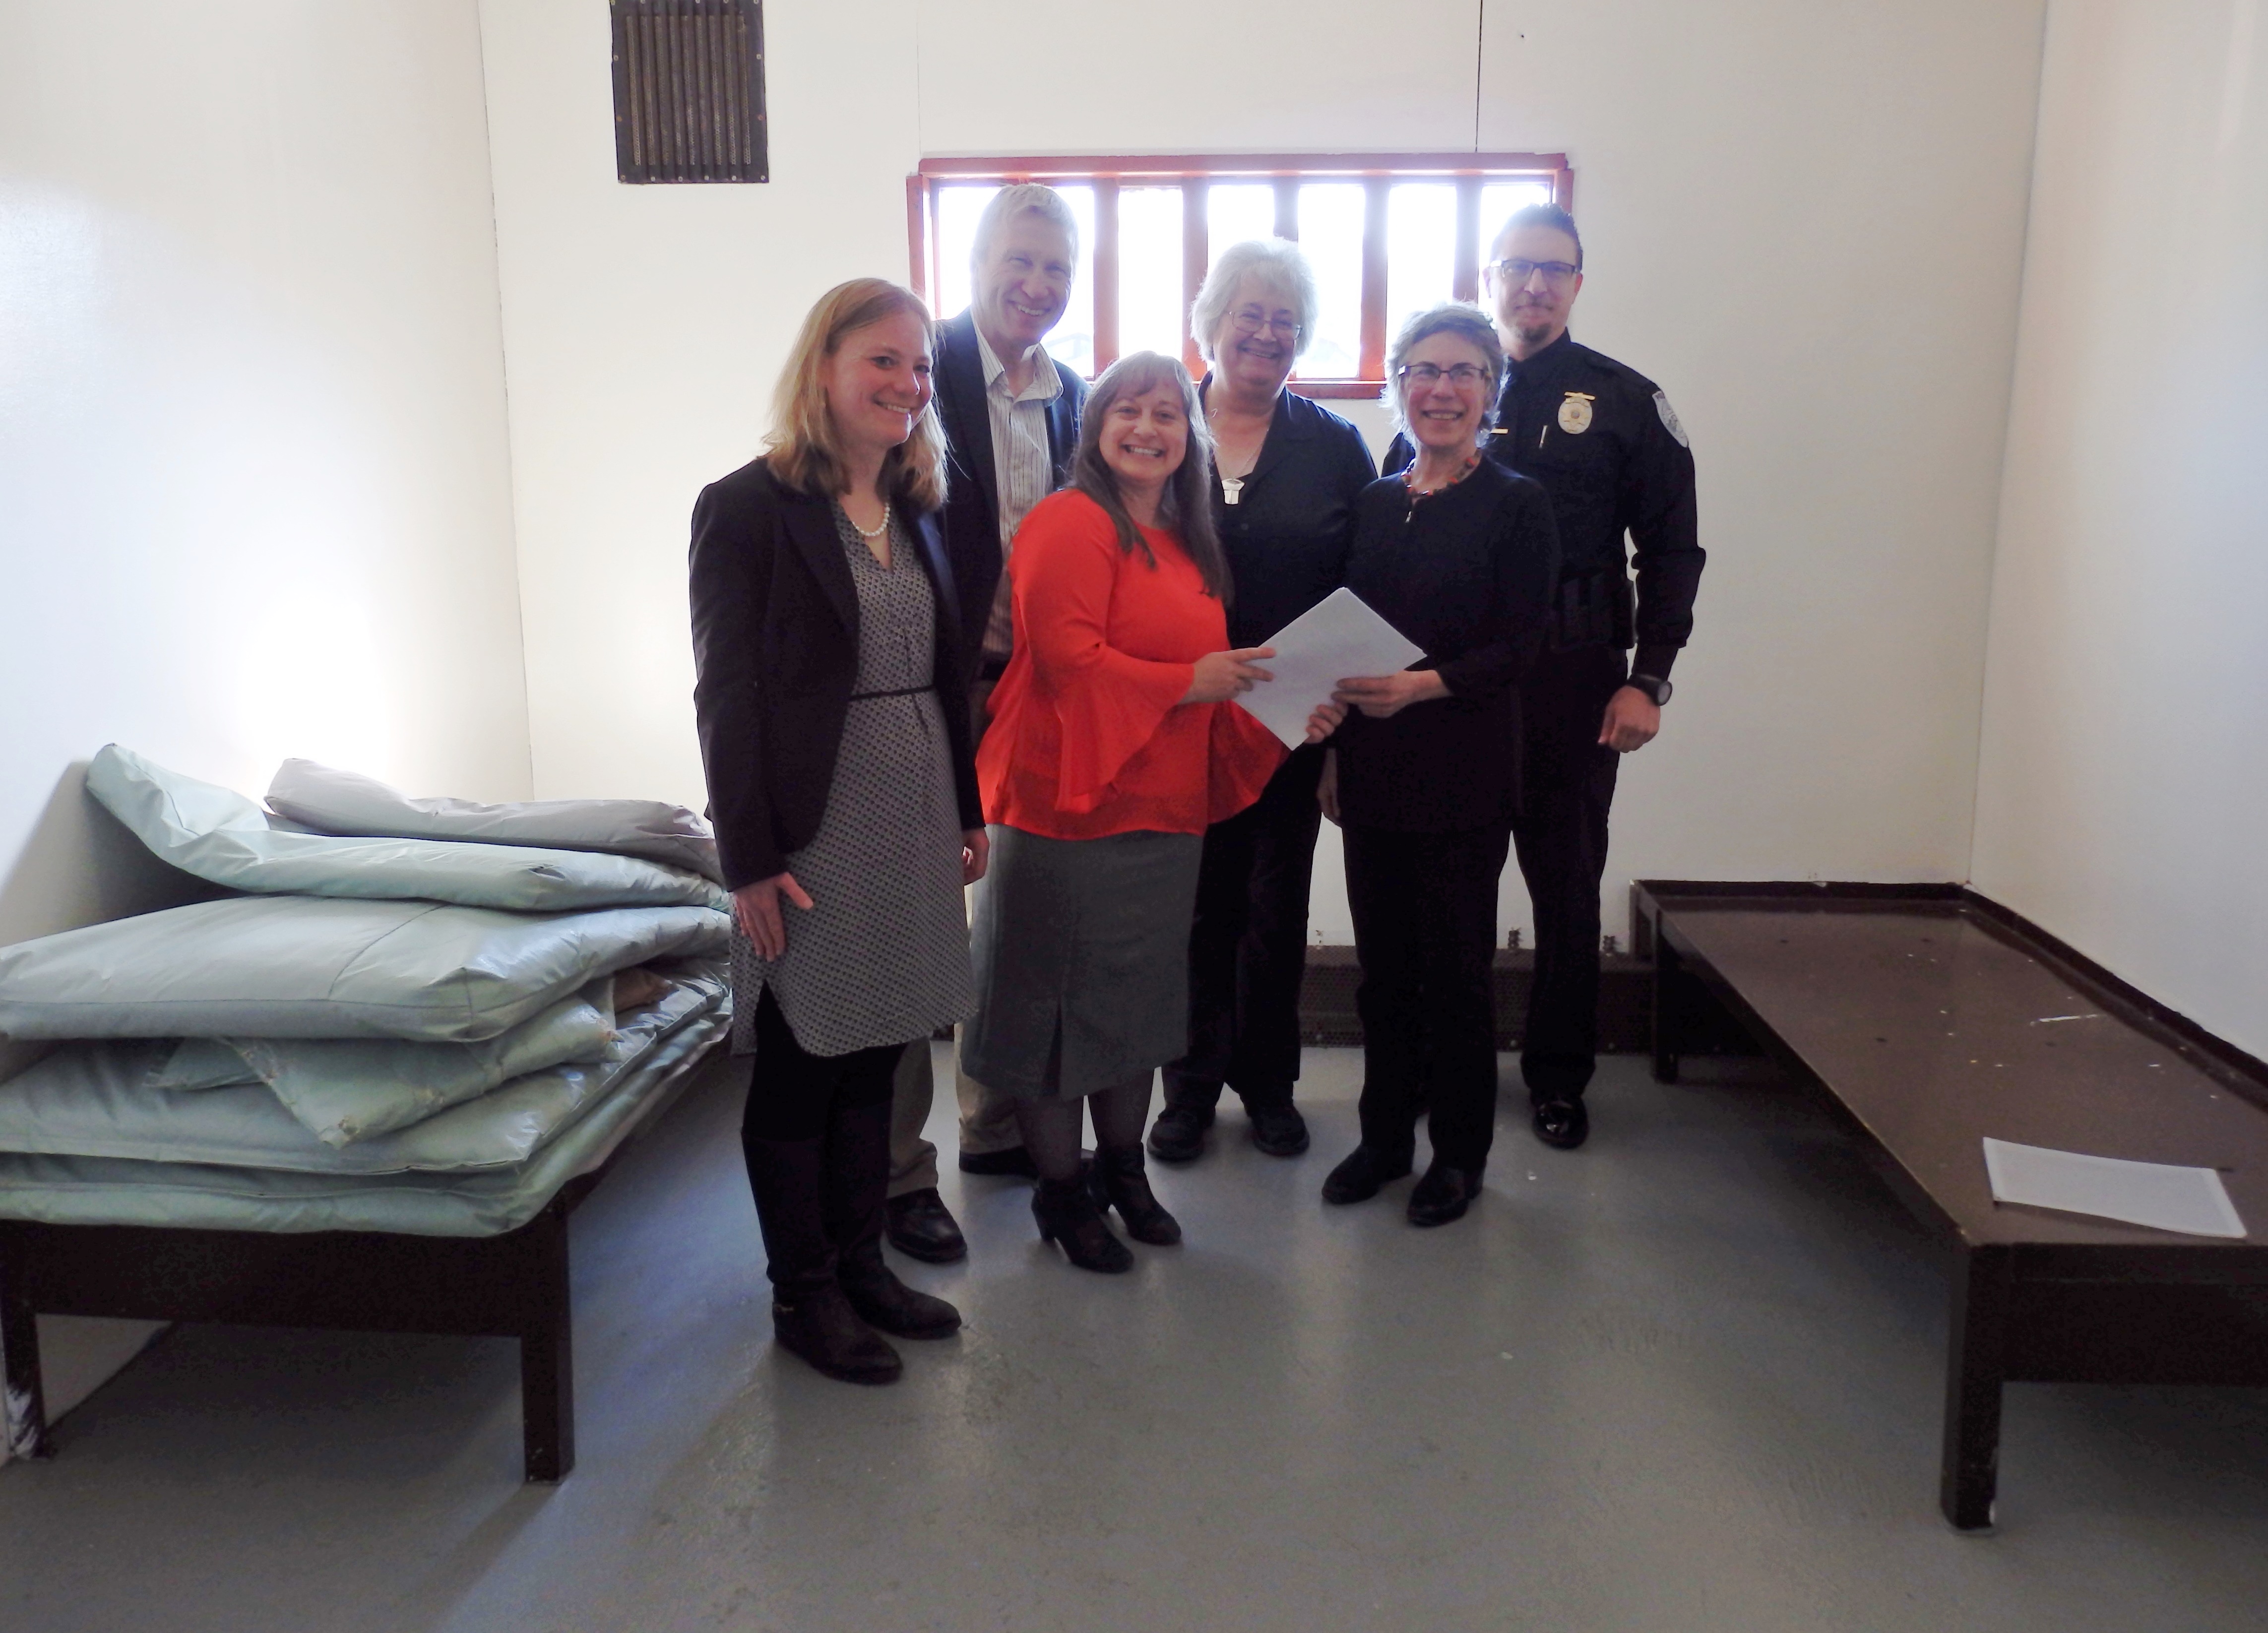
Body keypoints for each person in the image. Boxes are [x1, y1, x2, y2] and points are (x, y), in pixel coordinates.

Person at [963, 352, 1342, 1273]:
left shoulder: (1187, 539)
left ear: (1191, 436)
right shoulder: (1069, 522)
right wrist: (1193, 680)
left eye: (1168, 415)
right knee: (1055, 1011)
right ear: (1095, 429)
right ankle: (1062, 1191)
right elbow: (1066, 662)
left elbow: (1208, 692)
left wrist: (1288, 718)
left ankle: (1123, 1175)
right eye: (1127, 411)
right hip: (1065, 807)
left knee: (1133, 1008)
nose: (1148, 428)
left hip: (1161, 812)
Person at [689, 278, 987, 1384]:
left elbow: (944, 676)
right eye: (883, 360)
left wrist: (964, 807)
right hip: (813, 825)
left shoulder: (917, 502)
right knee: (808, 1058)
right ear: (824, 366)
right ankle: (801, 1294)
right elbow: (726, 695)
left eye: (919, 368)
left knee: (882, 1044)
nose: (908, 384)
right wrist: (750, 862)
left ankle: (863, 1265)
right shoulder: (747, 505)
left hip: (910, 814)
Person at [1385, 203, 1704, 1151]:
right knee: (1454, 888)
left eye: (1554, 270)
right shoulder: (1440, 398)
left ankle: (1560, 1077)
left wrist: (1651, 678)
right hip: (1464, 691)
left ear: (1577, 283)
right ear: (1488, 275)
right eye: (1517, 266)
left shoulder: (1625, 401)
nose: (1533, 285)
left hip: (1574, 685)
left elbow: (1674, 552)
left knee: (1566, 888)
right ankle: (1452, 1069)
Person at [881, 184, 1091, 1264]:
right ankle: (899, 1174)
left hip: (1034, 690)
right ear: (974, 260)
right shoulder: (923, 370)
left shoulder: (1078, 394)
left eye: (1058, 269)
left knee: (1017, 906)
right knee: (919, 918)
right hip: (925, 686)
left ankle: (997, 1125)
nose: (1038, 286)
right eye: (1021, 261)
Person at [1322, 304, 1560, 1228]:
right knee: (1382, 969)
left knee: (1456, 971)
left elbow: (1526, 645)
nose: (1441, 389)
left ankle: (1459, 1154)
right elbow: (1347, 633)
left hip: (1462, 772)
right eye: (1423, 370)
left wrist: (1421, 690)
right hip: (1373, 768)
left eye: (1463, 372)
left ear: (1491, 392)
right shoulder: (1381, 501)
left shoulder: (1517, 504)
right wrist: (1338, 750)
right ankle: (1385, 1137)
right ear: (1399, 387)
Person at [1145, 240, 1375, 1168]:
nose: (1267, 334)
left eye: (1285, 320)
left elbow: (1365, 593)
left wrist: (1339, 738)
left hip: (1291, 728)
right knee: (1192, 912)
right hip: (1176, 720)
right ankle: (1188, 1090)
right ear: (1212, 324)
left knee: (1276, 912)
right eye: (1250, 314)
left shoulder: (1333, 446)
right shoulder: (1160, 428)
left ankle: (1270, 1086)